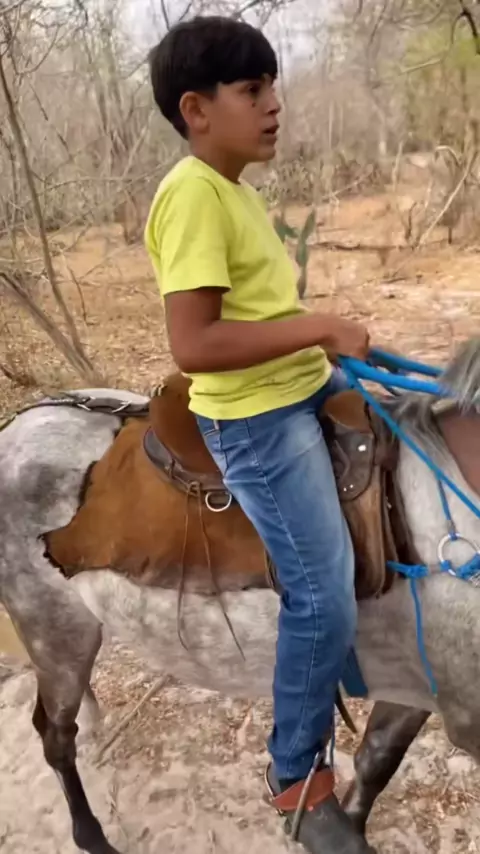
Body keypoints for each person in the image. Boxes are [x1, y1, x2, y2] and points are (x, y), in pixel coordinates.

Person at [144, 15, 375, 854]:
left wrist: (323, 345)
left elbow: (260, 312)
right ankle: (296, 781)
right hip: (256, 418)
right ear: (196, 109)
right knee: (321, 592)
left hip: (300, 383)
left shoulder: (236, 190)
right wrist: (319, 326)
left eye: (274, 85)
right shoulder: (192, 195)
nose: (275, 104)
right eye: (252, 89)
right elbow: (195, 345)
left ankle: (381, 661)